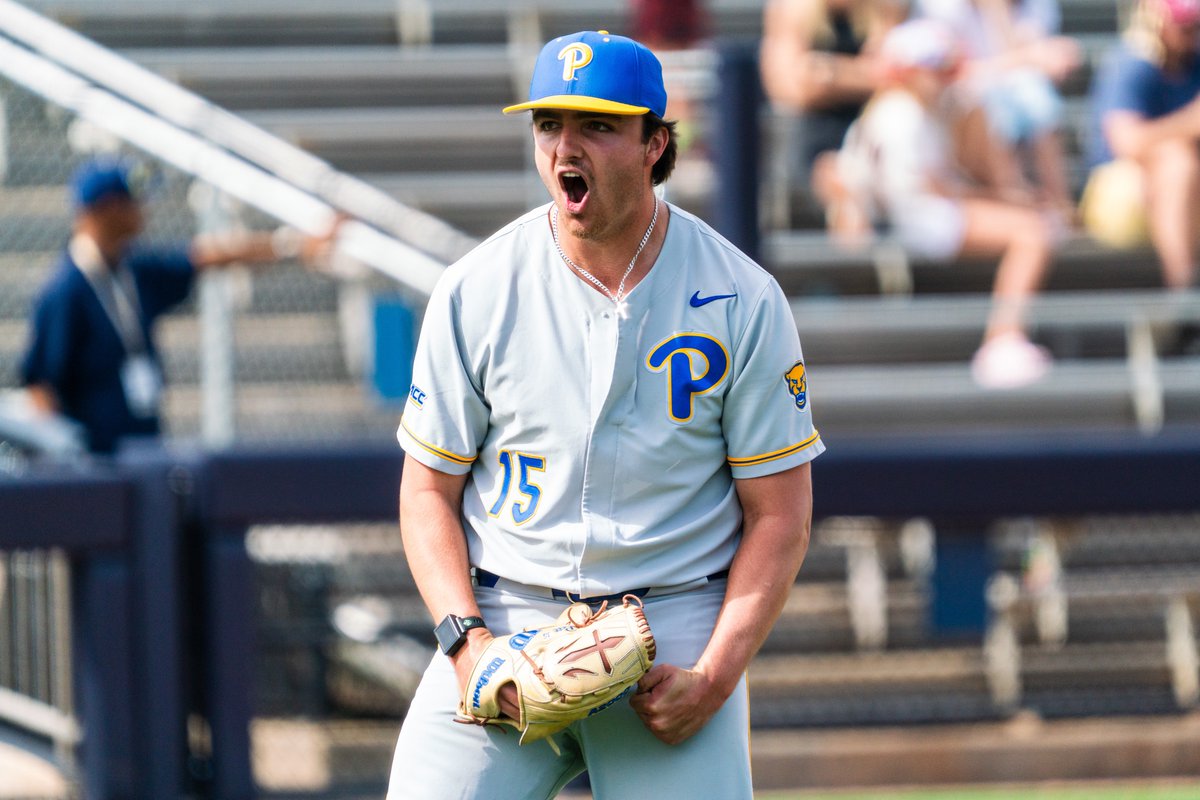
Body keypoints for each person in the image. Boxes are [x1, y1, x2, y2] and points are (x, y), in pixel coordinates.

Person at [386, 30, 823, 800]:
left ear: (656, 143)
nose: (564, 146)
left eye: (596, 125)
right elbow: (427, 491)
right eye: (549, 124)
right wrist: (467, 644)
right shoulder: (477, 288)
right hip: (505, 612)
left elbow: (781, 515)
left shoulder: (742, 296)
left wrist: (717, 676)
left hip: (673, 626)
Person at [19, 157, 333, 455]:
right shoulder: (66, 290)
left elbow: (204, 256)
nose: (143, 209)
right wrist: (66, 460)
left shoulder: (131, 270)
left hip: (142, 446)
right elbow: (40, 384)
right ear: (107, 209)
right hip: (97, 462)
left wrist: (290, 245)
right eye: (131, 201)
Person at [831, 18, 1057, 388]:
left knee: (1034, 224)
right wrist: (1004, 200)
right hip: (921, 220)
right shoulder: (902, 115)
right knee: (1033, 233)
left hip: (919, 214)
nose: (944, 77)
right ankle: (1002, 340)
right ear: (910, 72)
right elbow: (935, 189)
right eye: (936, 68)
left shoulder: (895, 110)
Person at [916, 0, 1081, 220]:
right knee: (989, 105)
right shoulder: (941, 8)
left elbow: (1028, 65)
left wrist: (997, 12)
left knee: (1037, 97)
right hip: (958, 104)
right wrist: (1026, 57)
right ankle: (1013, 199)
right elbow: (953, 73)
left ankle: (1060, 202)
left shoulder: (1035, 5)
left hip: (1006, 92)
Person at [1080, 0, 1200, 290]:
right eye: (1183, 25)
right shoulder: (1131, 62)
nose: (1189, 33)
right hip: (1117, 198)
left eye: (1194, 26)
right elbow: (1125, 142)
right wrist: (1187, 124)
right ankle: (1184, 295)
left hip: (1179, 195)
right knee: (1178, 162)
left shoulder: (1194, 62)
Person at [759, 0, 911, 218]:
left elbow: (895, 76)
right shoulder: (791, 9)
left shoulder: (884, 8)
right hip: (816, 132)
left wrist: (827, 72)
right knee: (830, 171)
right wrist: (863, 75)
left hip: (871, 123)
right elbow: (788, 89)